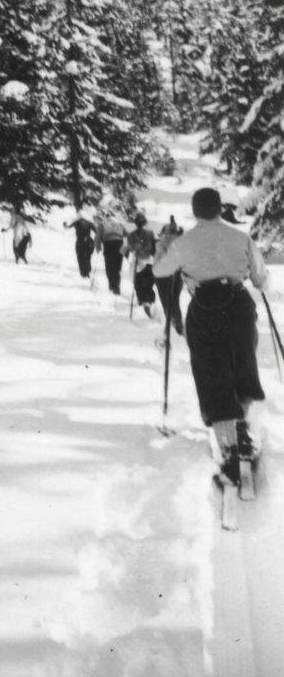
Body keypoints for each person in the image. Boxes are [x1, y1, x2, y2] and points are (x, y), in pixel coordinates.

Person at [153, 188, 268, 483]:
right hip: (238, 306)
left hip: (204, 309)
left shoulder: (183, 242)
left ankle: (229, 447)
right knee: (241, 365)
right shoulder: (240, 237)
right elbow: (260, 278)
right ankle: (242, 429)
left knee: (211, 373)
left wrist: (163, 247)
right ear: (220, 209)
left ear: (195, 211)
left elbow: (161, 271)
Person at [154, 215, 184, 335]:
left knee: (165, 298)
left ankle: (171, 318)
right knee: (174, 297)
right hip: (177, 271)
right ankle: (177, 320)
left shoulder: (161, 242)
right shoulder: (180, 241)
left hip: (162, 272)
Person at [123, 212, 156, 317]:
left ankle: (145, 301)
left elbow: (128, 248)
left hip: (139, 263)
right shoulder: (150, 233)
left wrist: (134, 251)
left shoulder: (132, 235)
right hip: (150, 262)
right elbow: (154, 248)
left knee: (139, 283)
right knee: (149, 284)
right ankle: (149, 301)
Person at [95, 209, 126, 294]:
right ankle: (116, 286)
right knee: (117, 267)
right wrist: (126, 249)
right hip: (119, 244)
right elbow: (127, 235)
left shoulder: (102, 223)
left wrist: (98, 248)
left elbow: (98, 237)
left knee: (109, 266)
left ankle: (112, 285)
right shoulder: (120, 223)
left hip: (108, 244)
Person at [65, 213, 96, 279]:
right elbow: (96, 231)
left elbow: (67, 227)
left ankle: (83, 272)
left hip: (80, 242)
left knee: (80, 257)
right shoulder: (89, 223)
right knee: (87, 256)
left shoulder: (76, 223)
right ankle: (87, 270)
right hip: (88, 242)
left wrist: (65, 225)